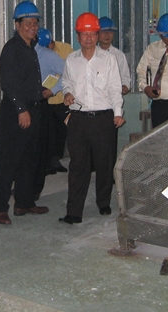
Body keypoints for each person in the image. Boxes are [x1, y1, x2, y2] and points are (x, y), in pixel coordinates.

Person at [59, 12, 125, 224]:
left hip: (103, 119)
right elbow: (66, 82)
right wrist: (67, 93)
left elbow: (115, 88)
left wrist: (118, 113)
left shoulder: (109, 60)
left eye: (92, 34)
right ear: (78, 36)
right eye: (84, 34)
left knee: (104, 163)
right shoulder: (71, 60)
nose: (88, 38)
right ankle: (74, 212)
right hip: (78, 119)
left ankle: (103, 202)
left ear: (97, 36)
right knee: (78, 166)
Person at [0, 0, 49, 225]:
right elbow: (9, 83)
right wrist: (21, 109)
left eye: (35, 23)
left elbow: (26, 81)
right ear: (17, 25)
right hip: (16, 113)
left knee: (28, 159)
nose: (33, 27)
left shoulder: (30, 48)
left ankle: (24, 202)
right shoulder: (12, 49)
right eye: (28, 23)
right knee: (9, 161)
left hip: (32, 110)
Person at [33, 27, 66, 199]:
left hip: (45, 103)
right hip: (29, 104)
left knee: (48, 140)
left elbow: (67, 72)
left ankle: (35, 187)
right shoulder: (25, 53)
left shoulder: (50, 55)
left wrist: (53, 90)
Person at [46, 34, 74, 174]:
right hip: (46, 101)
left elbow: (73, 71)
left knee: (62, 133)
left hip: (63, 100)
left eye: (49, 46)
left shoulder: (66, 49)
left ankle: (56, 161)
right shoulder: (38, 51)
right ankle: (47, 164)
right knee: (47, 134)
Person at [98, 17, 131, 95]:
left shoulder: (119, 55)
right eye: (104, 32)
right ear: (96, 34)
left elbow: (125, 78)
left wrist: (124, 86)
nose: (107, 35)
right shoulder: (91, 54)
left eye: (110, 32)